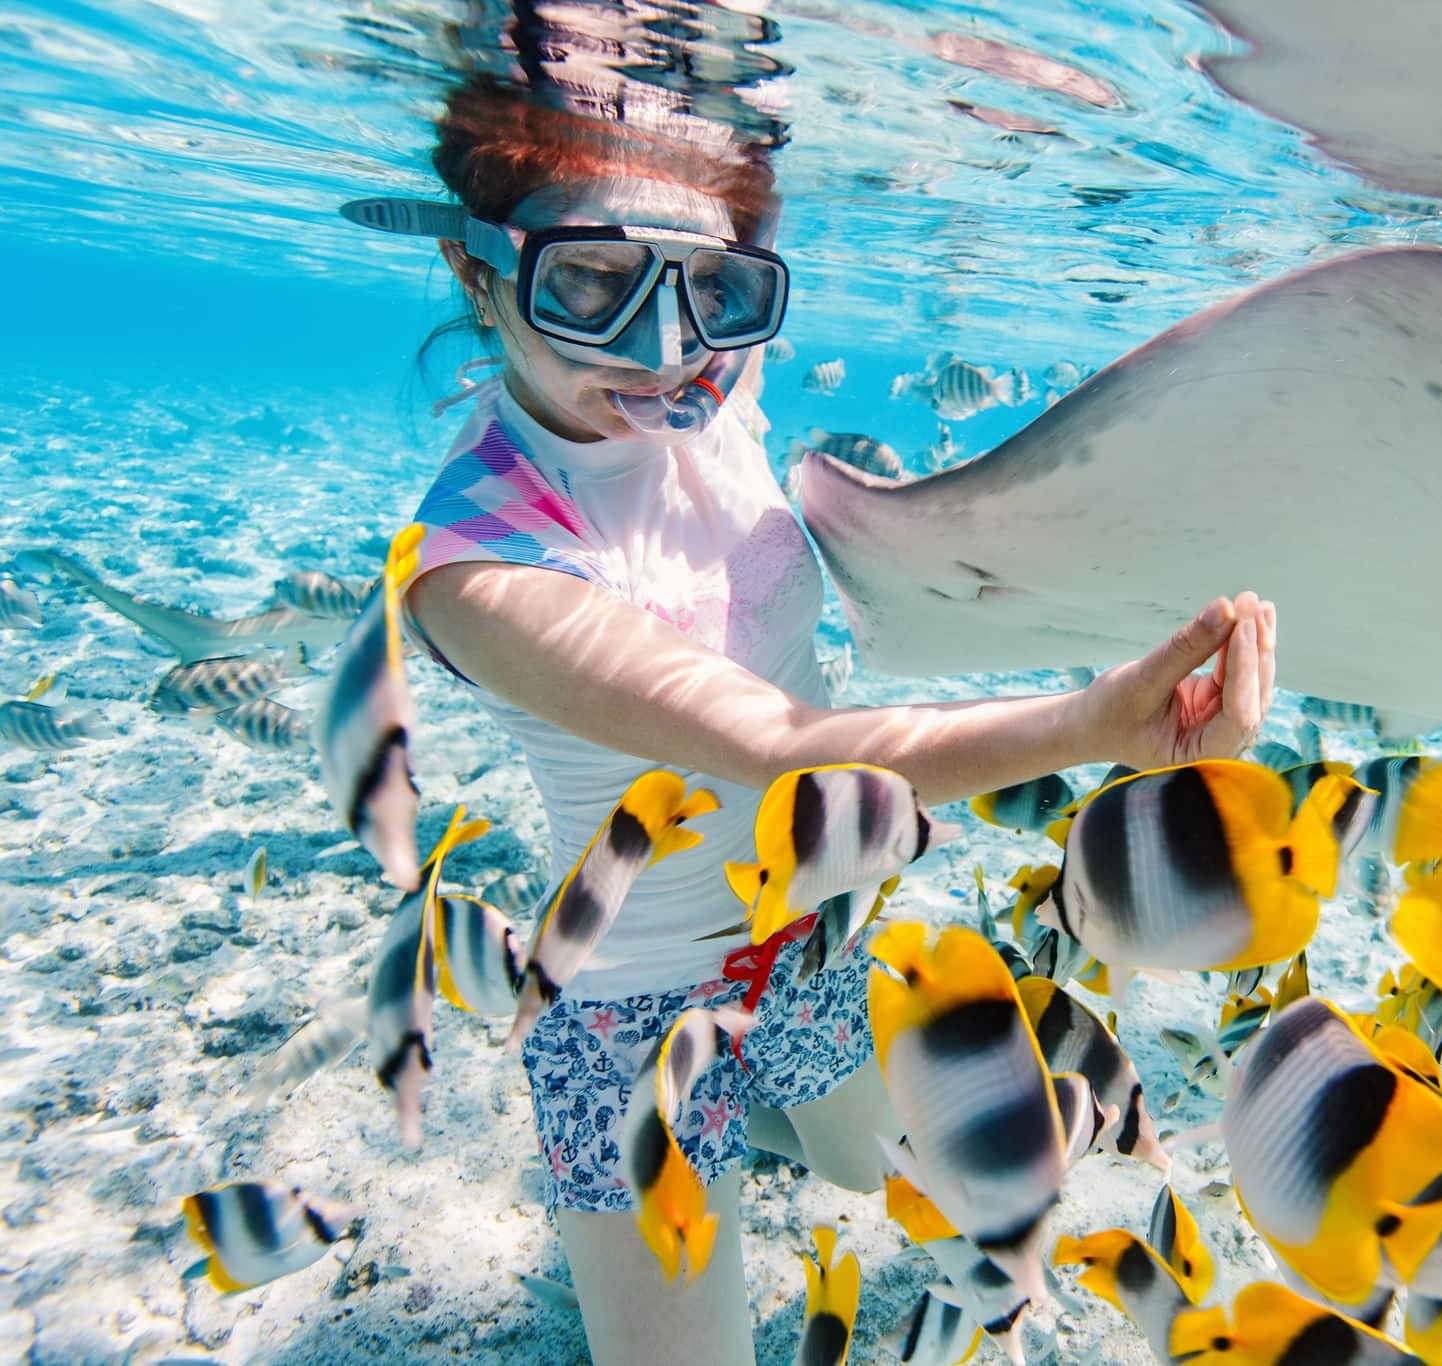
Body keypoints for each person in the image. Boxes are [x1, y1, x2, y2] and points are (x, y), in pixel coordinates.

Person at [349, 78, 1277, 1365]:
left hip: (814, 925)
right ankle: (647, 1176)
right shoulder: (475, 565)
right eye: (588, 287)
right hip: (628, 1019)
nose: (662, 351)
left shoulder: (723, 383)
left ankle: (760, 1137)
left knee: (860, 1172)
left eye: (712, 294)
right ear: (477, 265)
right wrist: (1088, 722)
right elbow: (777, 744)